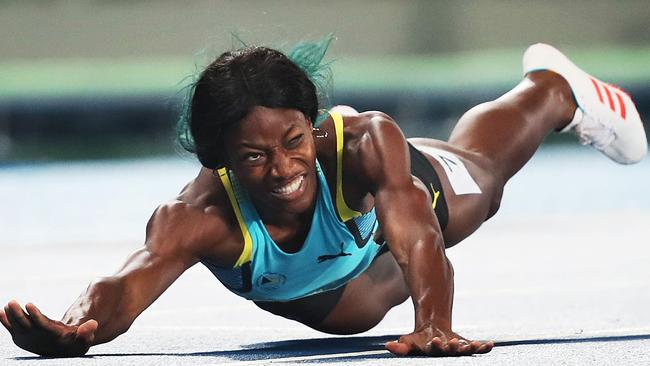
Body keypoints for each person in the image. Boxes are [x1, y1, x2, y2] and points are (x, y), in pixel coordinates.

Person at [0, 40, 646, 358]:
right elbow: (125, 285)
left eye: (291, 142)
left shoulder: (363, 145)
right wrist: (77, 326)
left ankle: (554, 88)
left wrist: (433, 325)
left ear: (311, 127)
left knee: (483, 182)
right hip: (347, 293)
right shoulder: (198, 218)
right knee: (366, 305)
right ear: (217, 161)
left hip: (392, 220)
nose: (282, 169)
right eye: (254, 157)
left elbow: (422, 240)